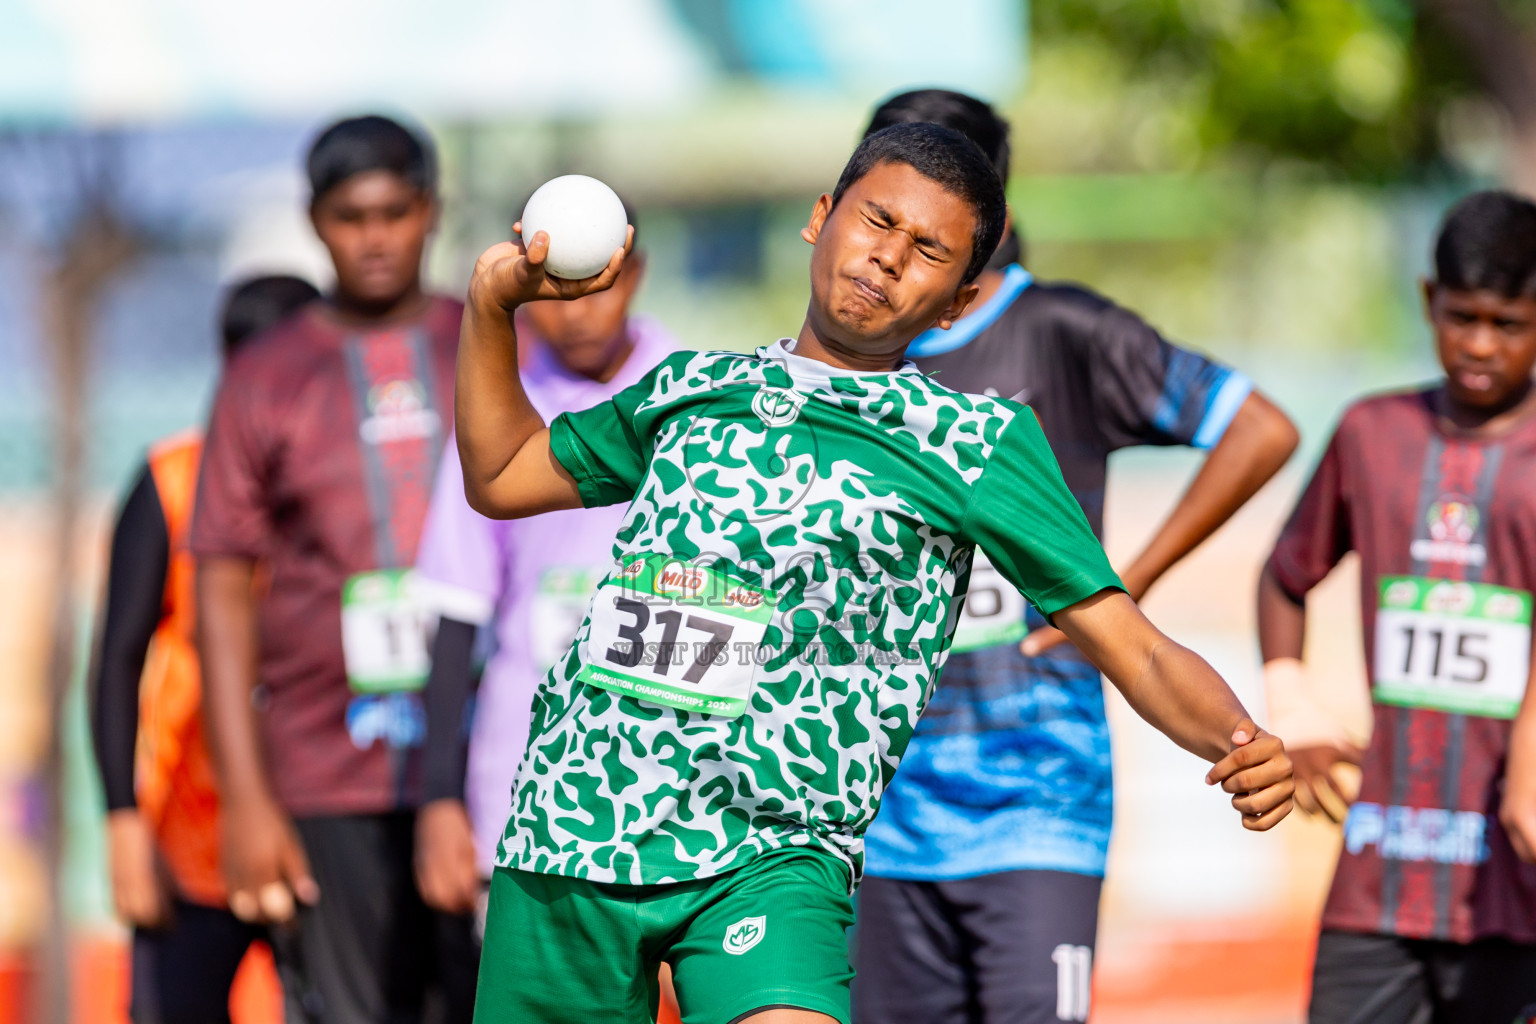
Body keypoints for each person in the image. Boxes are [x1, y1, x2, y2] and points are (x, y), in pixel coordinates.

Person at [454, 121, 1294, 1024]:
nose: (888, 257)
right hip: (572, 823)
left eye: (928, 249)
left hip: (770, 855)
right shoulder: (688, 387)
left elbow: (1134, 647)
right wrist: (491, 307)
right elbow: (502, 475)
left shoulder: (974, 444)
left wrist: (1244, 744)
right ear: (823, 218)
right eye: (876, 220)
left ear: (957, 302)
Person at [849, 89, 1301, 1024]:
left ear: (989, 219)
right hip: (872, 813)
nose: (897, 241)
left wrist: (1131, 579)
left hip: (1037, 797)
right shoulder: (842, 359)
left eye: (935, 216)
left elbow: (1260, 428)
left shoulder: (1065, 332)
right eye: (882, 205)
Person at [192, 115, 476, 1024]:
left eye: (396, 211)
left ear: (430, 211)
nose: (377, 236)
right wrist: (245, 799)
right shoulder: (266, 376)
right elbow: (222, 586)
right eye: (353, 216)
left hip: (491, 762)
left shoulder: (493, 344)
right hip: (327, 764)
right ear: (317, 222)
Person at [1259, 190, 1536, 1024]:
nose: (1480, 344)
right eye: (1462, 317)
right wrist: (1291, 700)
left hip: (1518, 883)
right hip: (1382, 871)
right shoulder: (1371, 434)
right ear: (1428, 301)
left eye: (1509, 323)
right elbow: (1285, 574)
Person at [410, 199, 679, 914]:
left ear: (636, 272)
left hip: (679, 798)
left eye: (599, 281)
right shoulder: (499, 416)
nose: (579, 311)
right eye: (560, 287)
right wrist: (439, 798)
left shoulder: (698, 396)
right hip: (529, 786)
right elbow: (457, 607)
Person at [90, 274, 319, 1024]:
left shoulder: (353, 488)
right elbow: (116, 658)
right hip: (188, 849)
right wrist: (124, 824)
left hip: (323, 838)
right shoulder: (171, 482)